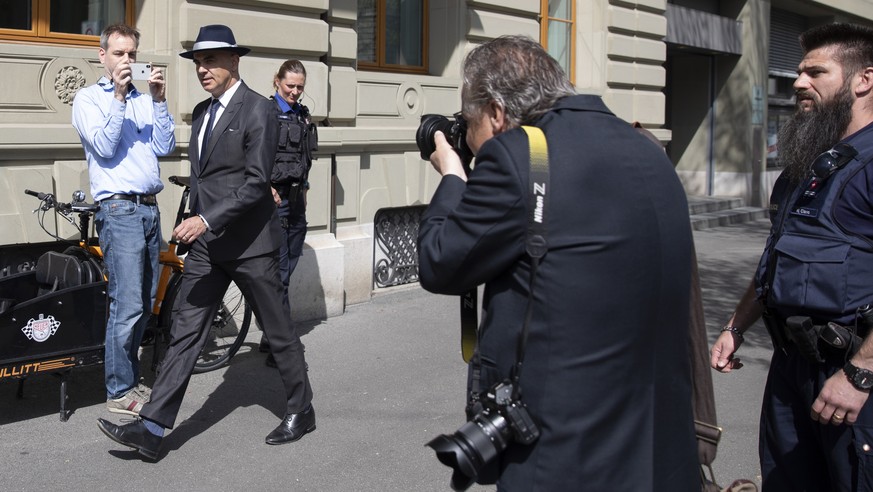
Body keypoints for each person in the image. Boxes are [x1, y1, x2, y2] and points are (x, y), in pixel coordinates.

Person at [417, 35, 699, 490]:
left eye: (469, 123)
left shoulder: (520, 156)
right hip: (654, 443)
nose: (469, 137)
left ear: (495, 112)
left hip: (566, 452)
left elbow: (439, 262)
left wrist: (452, 174)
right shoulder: (646, 149)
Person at [96, 24, 315, 460]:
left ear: (235, 61)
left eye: (212, 60)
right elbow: (205, 179)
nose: (203, 69)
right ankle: (153, 429)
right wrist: (198, 222)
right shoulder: (201, 111)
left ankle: (301, 408)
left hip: (252, 245)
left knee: (278, 329)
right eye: (198, 61)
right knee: (184, 332)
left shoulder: (259, 110)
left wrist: (205, 218)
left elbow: (256, 183)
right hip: (208, 248)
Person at [710, 23, 873, 491]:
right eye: (799, 71)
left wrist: (860, 374)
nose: (798, 82)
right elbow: (776, 255)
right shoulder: (809, 164)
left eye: (815, 72)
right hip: (791, 368)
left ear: (863, 80)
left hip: (852, 371)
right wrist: (736, 326)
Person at [71, 23, 175, 416]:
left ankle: (130, 380)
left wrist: (160, 100)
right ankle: (119, 390)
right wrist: (117, 96)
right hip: (119, 210)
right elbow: (103, 144)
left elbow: (165, 146)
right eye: (119, 54)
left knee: (145, 301)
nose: (127, 61)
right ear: (102, 56)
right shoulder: (88, 99)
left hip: (149, 208)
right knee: (127, 303)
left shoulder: (145, 99)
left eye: (132, 54)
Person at [260, 59, 317, 367]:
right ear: (277, 82)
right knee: (279, 273)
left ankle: (271, 331)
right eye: (290, 85)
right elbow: (254, 155)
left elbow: (305, 159)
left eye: (299, 87)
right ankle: (279, 343)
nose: (295, 91)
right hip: (276, 202)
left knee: (290, 263)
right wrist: (264, 186)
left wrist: (305, 193)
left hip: (297, 202)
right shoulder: (266, 113)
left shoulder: (303, 116)